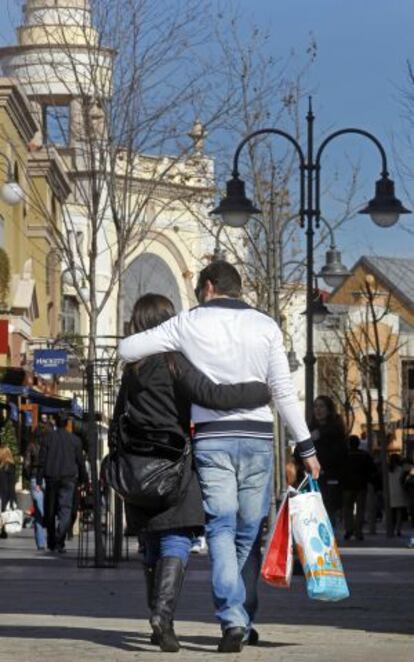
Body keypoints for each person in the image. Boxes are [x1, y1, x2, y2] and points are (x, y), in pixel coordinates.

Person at [119, 261, 320, 653]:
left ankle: (233, 618)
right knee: (247, 531)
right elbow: (282, 391)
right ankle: (237, 617)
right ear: (236, 288)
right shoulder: (266, 325)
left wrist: (168, 345)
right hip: (259, 440)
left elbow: (128, 348)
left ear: (208, 287)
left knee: (222, 530)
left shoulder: (189, 323)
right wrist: (306, 447)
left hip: (213, 441)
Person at [116, 293, 270, 653]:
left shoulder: (132, 369)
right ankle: (162, 616)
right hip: (174, 466)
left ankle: (160, 619)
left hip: (138, 468)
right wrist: (261, 391)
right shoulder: (176, 364)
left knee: (150, 541)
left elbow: (118, 418)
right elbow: (210, 395)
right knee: (177, 538)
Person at [37, 413, 87, 553]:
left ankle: (52, 541)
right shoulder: (75, 440)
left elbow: (42, 461)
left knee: (51, 510)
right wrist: (84, 479)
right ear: (67, 423)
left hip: (51, 477)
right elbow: (80, 462)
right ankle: (59, 540)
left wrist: (39, 480)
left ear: (55, 422)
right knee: (65, 510)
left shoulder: (47, 439)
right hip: (68, 478)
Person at [308, 396, 347, 526]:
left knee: (327, 513)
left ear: (329, 410)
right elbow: (298, 452)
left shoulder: (336, 430)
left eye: (322, 406)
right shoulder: (309, 430)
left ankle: (328, 542)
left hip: (330, 478)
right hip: (312, 478)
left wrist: (320, 436)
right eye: (315, 406)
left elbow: (340, 455)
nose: (318, 410)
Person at [343, 435, 378, 541]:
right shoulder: (364, 455)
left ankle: (349, 529)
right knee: (360, 509)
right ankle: (358, 531)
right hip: (361, 486)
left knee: (347, 508)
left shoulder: (344, 455)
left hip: (347, 486)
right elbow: (372, 469)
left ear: (349, 444)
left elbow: (339, 469)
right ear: (358, 444)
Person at [23, 425, 51, 550]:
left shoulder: (31, 446)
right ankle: (52, 540)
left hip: (35, 478)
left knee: (39, 513)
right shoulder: (49, 446)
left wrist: (30, 477)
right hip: (48, 477)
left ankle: (40, 543)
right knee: (50, 510)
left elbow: (26, 465)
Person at [388, 454, 408, 536]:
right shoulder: (402, 470)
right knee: (399, 512)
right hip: (400, 492)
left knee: (391, 513)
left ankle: (391, 529)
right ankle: (398, 529)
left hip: (390, 493)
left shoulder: (388, 471)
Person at [0, 446, 16, 538]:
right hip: (6, 493)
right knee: (3, 512)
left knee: (3, 512)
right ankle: (3, 530)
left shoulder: (6, 466)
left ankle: (3, 530)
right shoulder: (11, 466)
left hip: (3, 493)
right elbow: (12, 483)